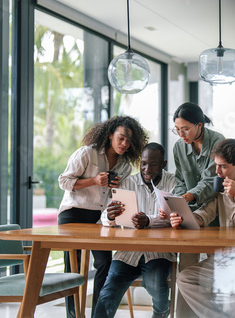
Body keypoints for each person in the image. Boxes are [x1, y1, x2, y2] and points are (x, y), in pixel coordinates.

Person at [169, 139, 235, 317]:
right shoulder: (221, 187)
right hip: (226, 261)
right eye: (216, 165)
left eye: (223, 167)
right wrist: (184, 219)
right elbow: (204, 214)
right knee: (185, 279)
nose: (217, 172)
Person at [58, 115, 147, 317]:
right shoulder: (87, 154)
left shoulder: (124, 165)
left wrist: (117, 189)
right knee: (73, 267)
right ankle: (73, 315)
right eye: (121, 138)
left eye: (129, 141)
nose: (124, 144)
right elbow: (63, 181)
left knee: (105, 263)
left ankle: (98, 314)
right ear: (110, 135)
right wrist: (94, 181)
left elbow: (118, 196)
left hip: (100, 218)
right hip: (74, 214)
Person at [93, 142, 176, 318]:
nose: (147, 169)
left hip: (159, 252)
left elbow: (173, 219)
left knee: (155, 284)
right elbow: (104, 218)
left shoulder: (174, 184)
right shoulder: (127, 183)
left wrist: (149, 221)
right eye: (143, 163)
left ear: (163, 164)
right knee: (108, 292)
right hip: (127, 253)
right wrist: (110, 216)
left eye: (153, 164)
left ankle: (161, 311)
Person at [171, 102, 225, 317]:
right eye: (177, 129)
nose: (181, 134)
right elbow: (179, 181)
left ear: (199, 125)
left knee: (213, 272)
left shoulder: (218, 142)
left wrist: (188, 196)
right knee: (186, 269)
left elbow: (212, 182)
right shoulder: (178, 147)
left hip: (214, 212)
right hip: (188, 213)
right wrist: (178, 200)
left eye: (185, 129)